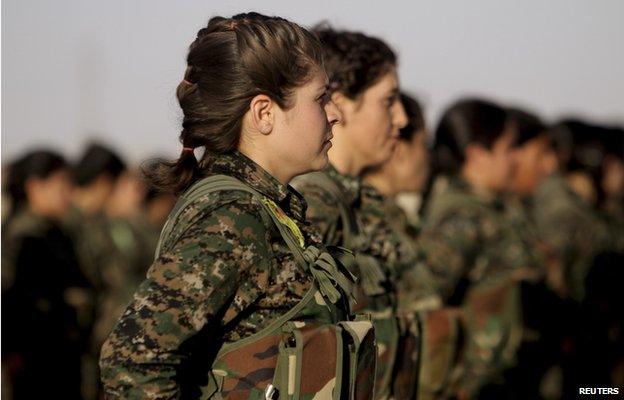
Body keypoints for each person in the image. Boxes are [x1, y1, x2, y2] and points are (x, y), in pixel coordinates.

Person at [100, 13, 375, 399]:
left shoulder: (269, 210)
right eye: (320, 98)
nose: (334, 114)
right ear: (264, 114)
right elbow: (132, 363)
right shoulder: (232, 217)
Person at [292, 26, 407, 400]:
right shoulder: (316, 201)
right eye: (388, 101)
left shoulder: (359, 200)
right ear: (340, 102)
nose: (402, 118)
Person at [418, 98, 532, 399]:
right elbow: (426, 300)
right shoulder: (461, 216)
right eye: (509, 148)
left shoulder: (492, 209)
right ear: (477, 154)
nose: (516, 159)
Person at [361, 92, 446, 399]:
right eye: (424, 145)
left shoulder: (396, 219)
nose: (428, 157)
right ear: (399, 148)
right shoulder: (365, 220)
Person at [2, 150, 90, 399]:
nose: (68, 193)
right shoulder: (22, 236)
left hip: (59, 355)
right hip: (33, 360)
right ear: (35, 186)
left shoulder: (55, 232)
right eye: (61, 185)